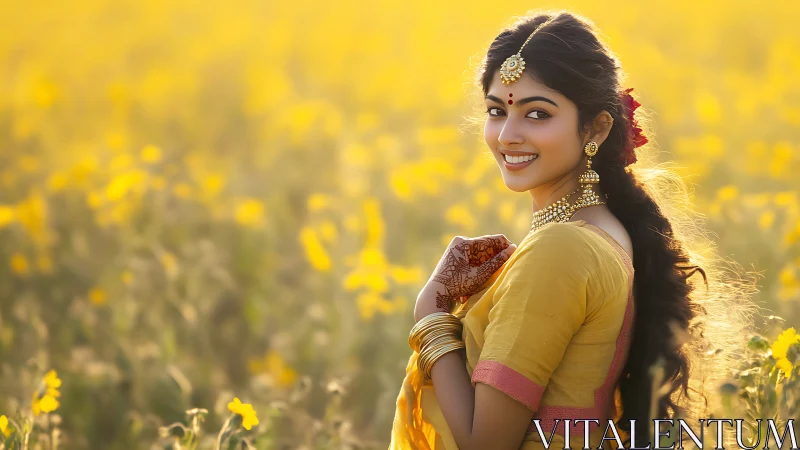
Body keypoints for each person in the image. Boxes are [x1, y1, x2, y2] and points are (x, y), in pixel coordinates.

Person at [388, 9, 757, 450]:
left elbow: (485, 443)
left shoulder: (562, 247)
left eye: (537, 114)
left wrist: (431, 313)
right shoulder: (604, 229)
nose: (507, 135)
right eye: (495, 110)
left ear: (596, 127)